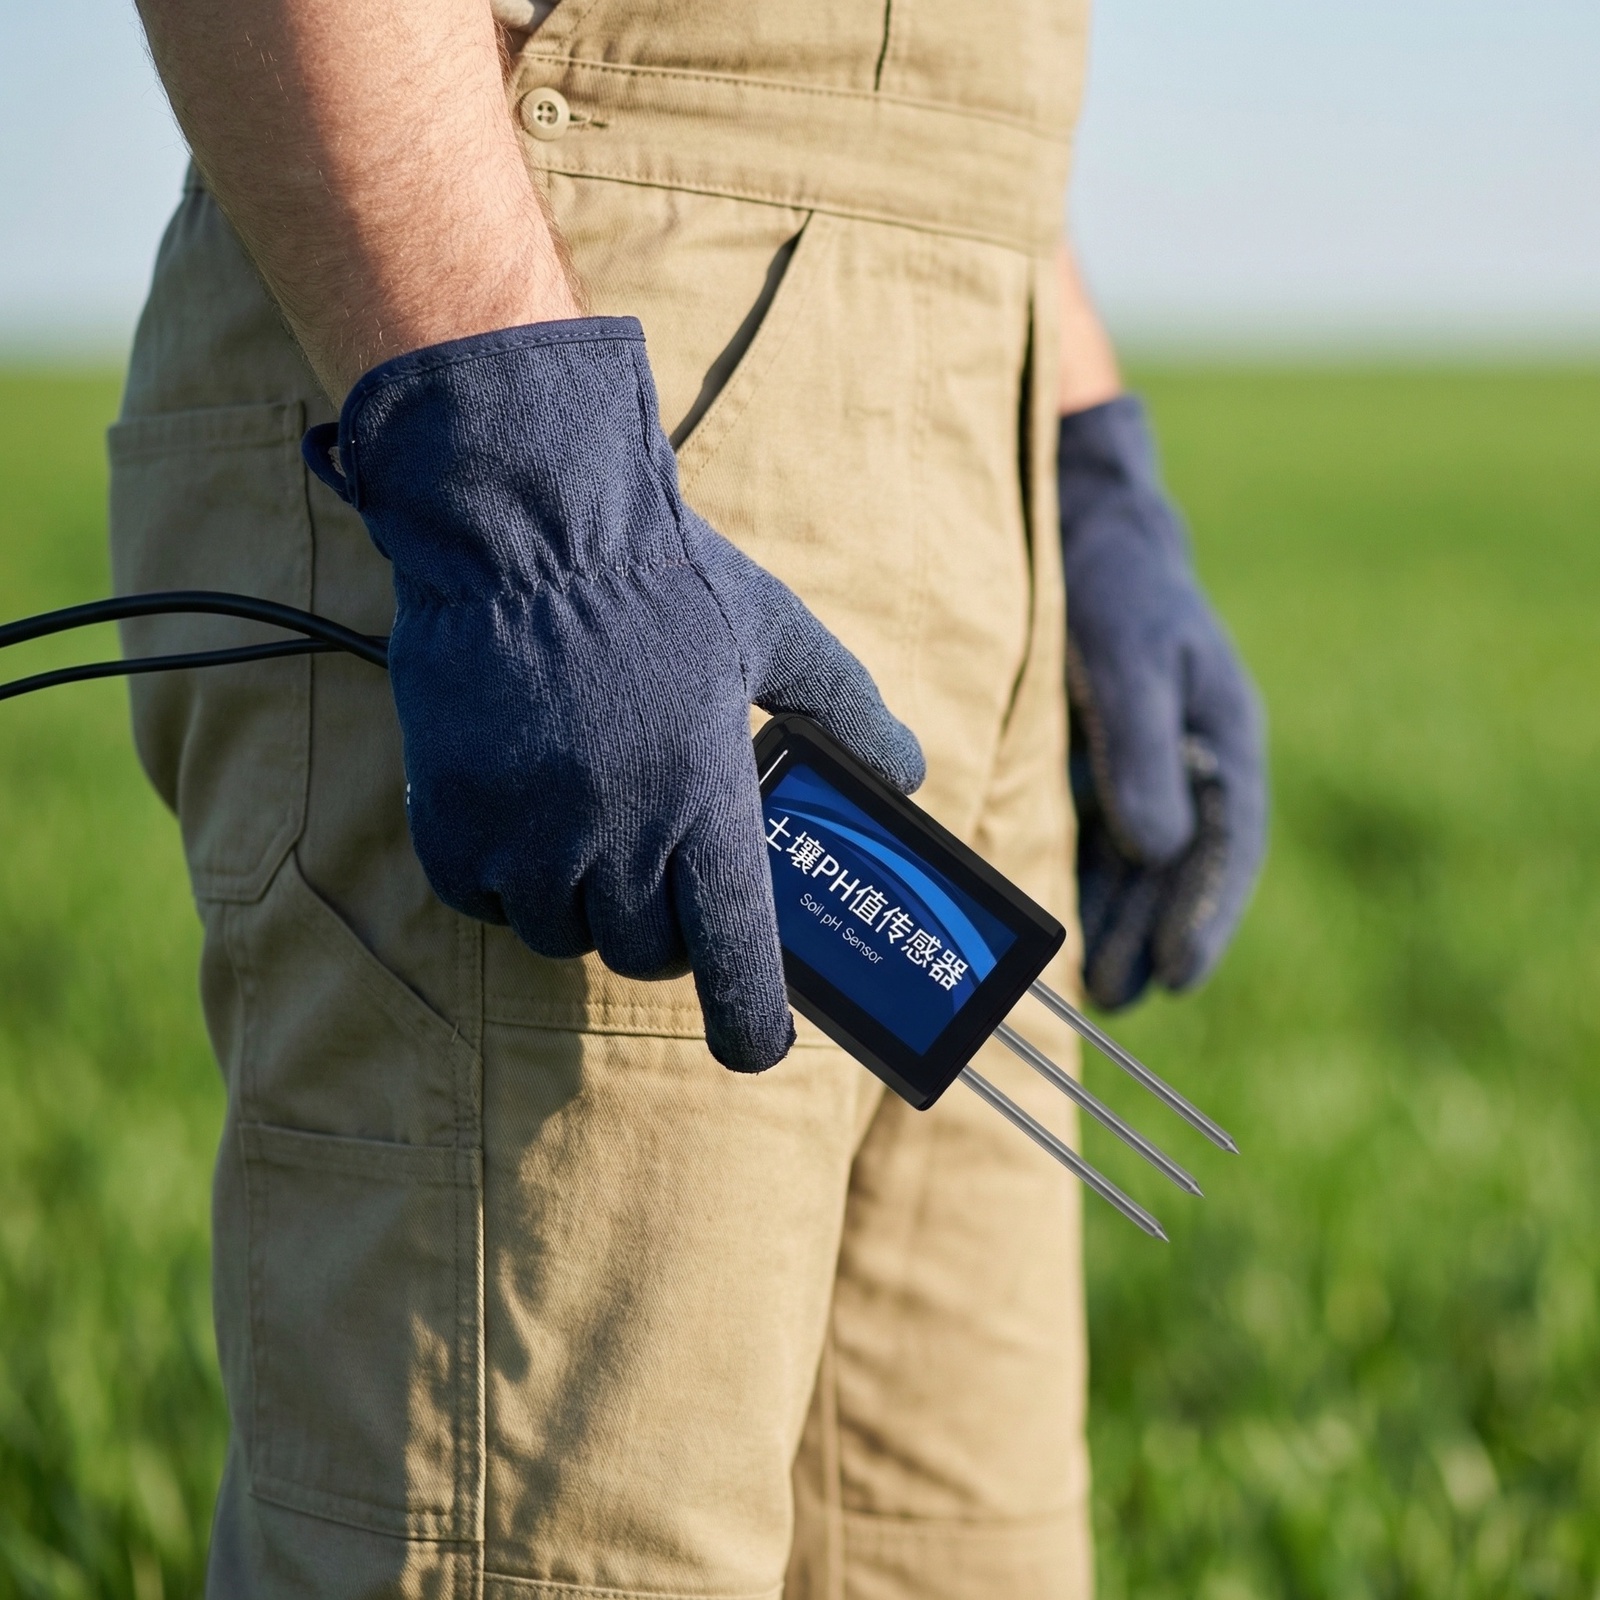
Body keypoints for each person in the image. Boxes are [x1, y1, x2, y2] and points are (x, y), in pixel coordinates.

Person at [113, 0, 1265, 1594]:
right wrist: (520, 484)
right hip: (553, 323)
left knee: (959, 1553)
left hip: (967, 350)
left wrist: (1078, 429)